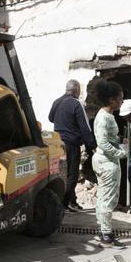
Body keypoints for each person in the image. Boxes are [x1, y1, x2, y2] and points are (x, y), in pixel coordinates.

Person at [49, 79, 96, 211]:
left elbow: (50, 118)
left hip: (57, 144)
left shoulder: (57, 101)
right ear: (76, 90)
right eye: (79, 90)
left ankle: (72, 201)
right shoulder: (76, 104)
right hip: (70, 144)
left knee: (61, 174)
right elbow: (85, 127)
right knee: (72, 175)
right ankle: (64, 204)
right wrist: (92, 145)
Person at [92, 81, 128, 247]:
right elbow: (103, 142)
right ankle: (106, 234)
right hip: (107, 162)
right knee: (108, 198)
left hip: (104, 160)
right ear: (112, 100)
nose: (122, 101)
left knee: (103, 196)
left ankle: (103, 229)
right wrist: (120, 153)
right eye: (120, 98)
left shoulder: (106, 115)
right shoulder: (104, 117)